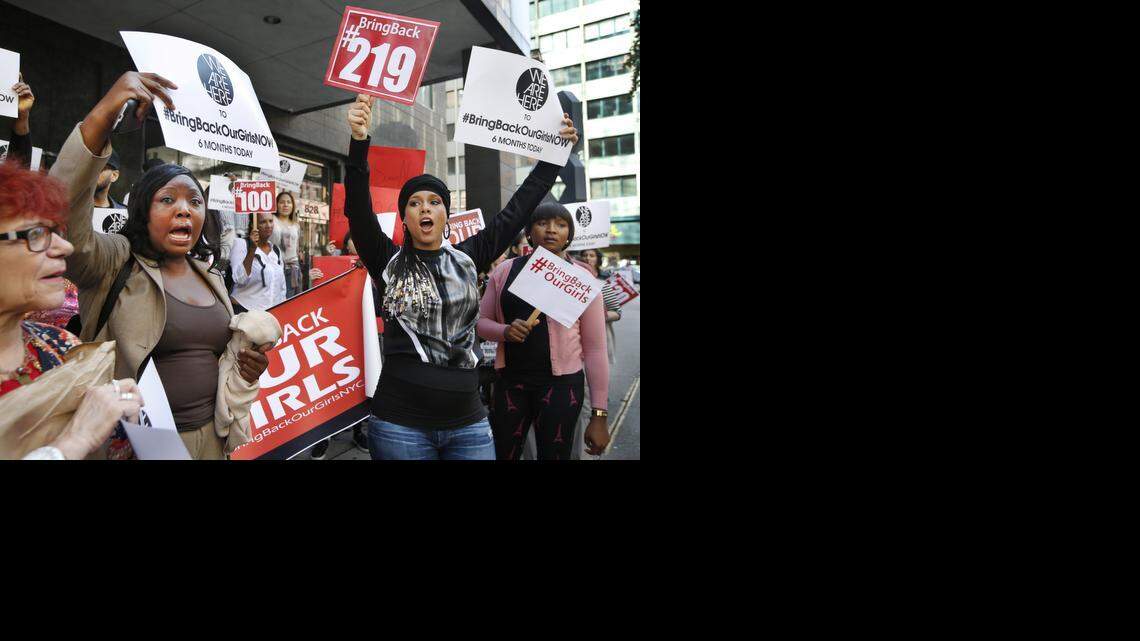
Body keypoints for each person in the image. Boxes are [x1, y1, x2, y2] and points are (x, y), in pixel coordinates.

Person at [341, 94, 578, 460]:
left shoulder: (470, 257)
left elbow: (518, 208)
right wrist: (359, 143)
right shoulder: (386, 259)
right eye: (415, 202)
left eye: (434, 202)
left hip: (468, 425)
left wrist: (553, 156)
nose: (425, 208)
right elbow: (358, 207)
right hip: (399, 426)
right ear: (404, 217)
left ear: (445, 216)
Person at [53, 71, 272, 459]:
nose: (184, 209)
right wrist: (104, 114)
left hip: (213, 441)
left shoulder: (211, 275)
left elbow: (216, 357)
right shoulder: (114, 260)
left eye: (194, 201)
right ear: (142, 211)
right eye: (168, 199)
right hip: (135, 445)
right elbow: (63, 219)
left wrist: (244, 367)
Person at [0, 158, 145, 460]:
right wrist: (75, 441)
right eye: (36, 234)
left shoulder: (61, 347)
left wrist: (128, 433)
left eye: (57, 231)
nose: (64, 247)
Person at [477, 203, 610, 460]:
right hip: (510, 384)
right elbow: (481, 322)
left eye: (561, 225)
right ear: (529, 233)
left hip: (562, 388)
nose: (551, 230)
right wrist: (505, 331)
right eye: (542, 223)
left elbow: (595, 350)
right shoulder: (505, 271)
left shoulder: (581, 278)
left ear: (569, 234)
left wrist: (599, 414)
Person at [228, 211, 286, 313]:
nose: (268, 225)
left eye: (271, 221)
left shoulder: (276, 250)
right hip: (246, 313)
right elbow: (240, 279)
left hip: (271, 315)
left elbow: (281, 288)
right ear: (253, 224)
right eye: (263, 222)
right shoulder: (241, 244)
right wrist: (251, 250)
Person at [269, 191, 302, 298]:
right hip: (275, 265)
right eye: (282, 202)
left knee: (290, 300)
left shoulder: (296, 225)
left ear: (293, 205)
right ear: (276, 205)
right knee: (274, 299)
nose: (286, 205)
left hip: (292, 268)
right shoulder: (271, 220)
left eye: (289, 202)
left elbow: (296, 248)